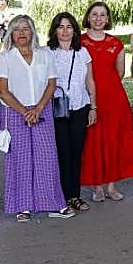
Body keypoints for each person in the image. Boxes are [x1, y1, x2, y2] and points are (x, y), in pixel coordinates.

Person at [0, 15, 73, 222]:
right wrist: (24, 112)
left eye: (26, 28)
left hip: (42, 109)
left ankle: (54, 203)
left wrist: (38, 109)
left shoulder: (44, 54)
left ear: (32, 32)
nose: (21, 33)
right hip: (14, 111)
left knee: (46, 157)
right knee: (20, 159)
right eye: (17, 29)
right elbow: (2, 91)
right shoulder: (4, 57)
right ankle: (23, 206)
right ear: (11, 33)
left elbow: (51, 83)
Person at [79, 1, 133, 202]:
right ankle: (97, 186)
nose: (98, 18)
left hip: (114, 99)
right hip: (88, 97)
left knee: (113, 140)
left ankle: (112, 186)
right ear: (88, 17)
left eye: (102, 15)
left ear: (107, 19)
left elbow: (119, 73)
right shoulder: (78, 42)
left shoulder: (116, 44)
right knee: (93, 141)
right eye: (94, 14)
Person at [48, 12, 96, 213]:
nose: (65, 31)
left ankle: (74, 195)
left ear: (75, 31)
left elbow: (90, 80)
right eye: (61, 26)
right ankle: (62, 196)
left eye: (69, 27)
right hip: (57, 109)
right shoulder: (47, 53)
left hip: (80, 106)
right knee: (62, 153)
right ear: (54, 30)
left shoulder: (83, 52)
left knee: (76, 153)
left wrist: (93, 107)